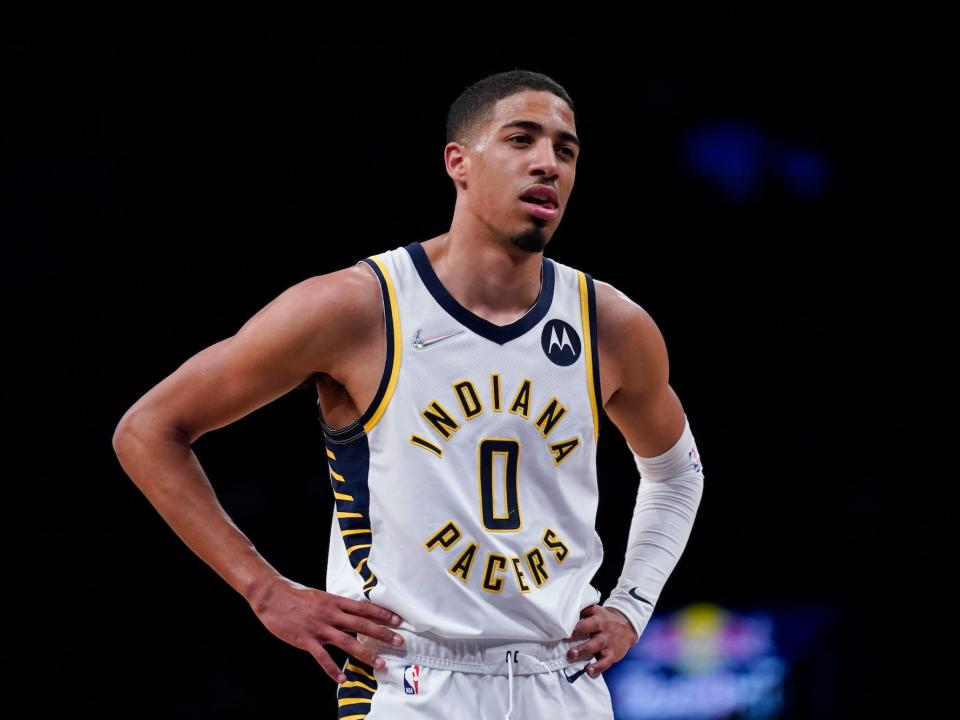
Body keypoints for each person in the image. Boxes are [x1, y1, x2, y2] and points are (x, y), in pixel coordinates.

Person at [112, 69, 705, 720]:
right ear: (460, 162)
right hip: (410, 681)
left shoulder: (609, 323)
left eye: (566, 150)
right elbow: (149, 430)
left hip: (561, 680)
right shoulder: (358, 307)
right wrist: (266, 590)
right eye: (521, 139)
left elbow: (677, 472)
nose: (547, 163)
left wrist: (631, 605)